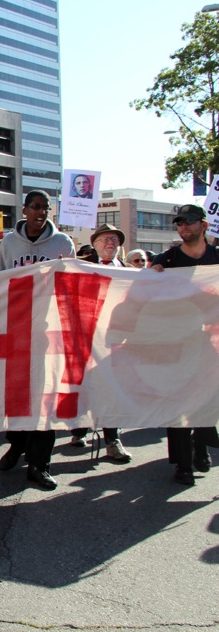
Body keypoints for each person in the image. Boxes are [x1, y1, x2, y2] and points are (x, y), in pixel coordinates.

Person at [0, 190, 75, 490]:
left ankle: (40, 465)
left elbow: (71, 284)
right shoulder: (9, 242)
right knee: (16, 397)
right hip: (15, 331)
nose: (41, 212)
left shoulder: (62, 243)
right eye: (36, 207)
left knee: (44, 399)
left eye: (46, 208)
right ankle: (16, 445)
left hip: (47, 332)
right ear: (25, 209)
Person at [150, 204, 219, 485]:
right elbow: (144, 294)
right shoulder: (166, 261)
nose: (183, 227)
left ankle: (200, 446)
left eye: (189, 222)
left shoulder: (217, 258)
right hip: (176, 343)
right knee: (177, 404)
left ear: (203, 225)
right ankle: (183, 463)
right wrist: (148, 278)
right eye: (179, 223)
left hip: (210, 344)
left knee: (206, 399)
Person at [68, 224, 133, 462]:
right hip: (86, 338)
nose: (110, 243)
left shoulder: (130, 272)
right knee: (85, 385)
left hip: (115, 340)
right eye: (105, 239)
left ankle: (112, 440)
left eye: (115, 239)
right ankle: (80, 429)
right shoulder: (83, 270)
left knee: (112, 389)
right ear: (94, 245)